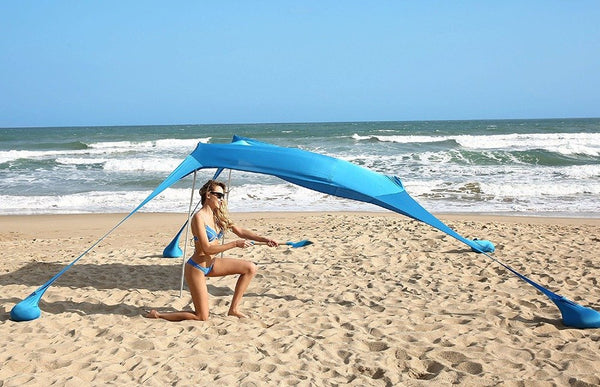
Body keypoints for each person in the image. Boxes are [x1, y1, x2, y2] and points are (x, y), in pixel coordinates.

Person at [146, 180, 278, 321]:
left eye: (223, 196)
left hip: (212, 264)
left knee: (250, 268)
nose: (222, 199)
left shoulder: (218, 216)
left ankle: (233, 309)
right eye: (219, 195)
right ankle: (158, 315)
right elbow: (207, 248)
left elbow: (240, 231)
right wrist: (235, 244)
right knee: (202, 317)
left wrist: (264, 239)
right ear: (208, 195)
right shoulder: (198, 217)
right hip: (196, 267)